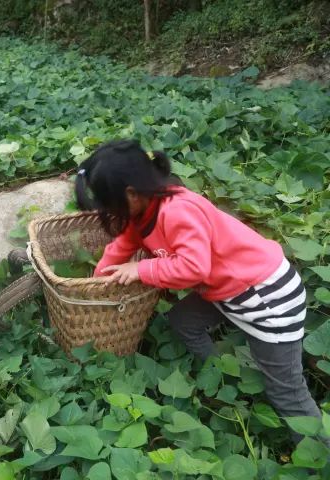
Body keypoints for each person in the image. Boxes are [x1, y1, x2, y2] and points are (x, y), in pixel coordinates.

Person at [75, 139, 323, 445]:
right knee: (183, 320)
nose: (112, 214)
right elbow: (122, 246)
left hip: (268, 299)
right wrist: (96, 286)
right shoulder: (142, 210)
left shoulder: (177, 211)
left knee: (287, 392)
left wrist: (140, 270)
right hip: (228, 290)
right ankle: (218, 379)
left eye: (110, 205)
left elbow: (194, 269)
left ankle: (318, 453)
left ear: (131, 194)